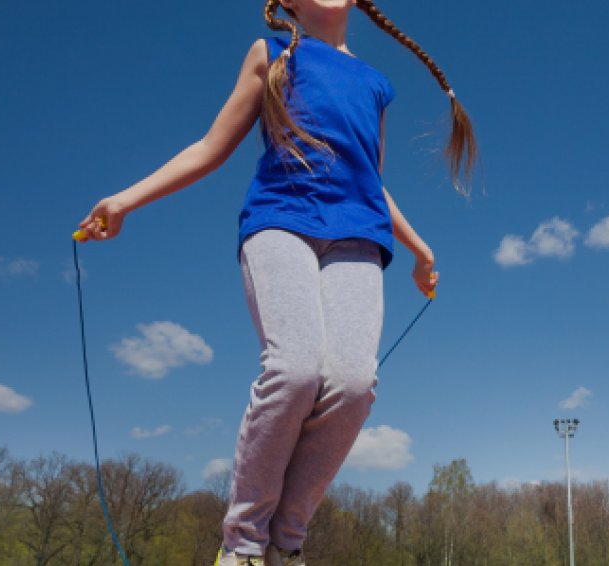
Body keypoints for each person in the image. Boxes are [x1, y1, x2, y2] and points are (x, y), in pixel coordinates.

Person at [77, 0, 476, 563]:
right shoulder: (272, 56)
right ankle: (241, 547)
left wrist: (418, 246)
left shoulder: (374, 82)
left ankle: (285, 548)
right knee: (295, 370)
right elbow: (210, 148)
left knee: (354, 384)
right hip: (281, 221)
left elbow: (371, 180)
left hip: (359, 238)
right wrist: (124, 200)